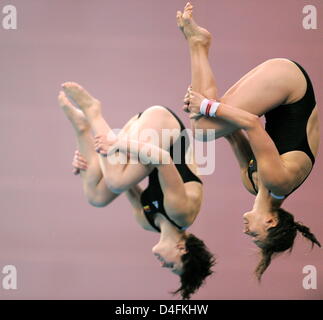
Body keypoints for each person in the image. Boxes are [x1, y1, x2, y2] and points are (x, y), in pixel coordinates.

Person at [177, 2, 321, 280]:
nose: (245, 231)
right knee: (205, 124)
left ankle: (197, 44)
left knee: (204, 126)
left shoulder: (252, 183)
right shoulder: (278, 181)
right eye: (255, 236)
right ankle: (198, 44)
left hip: (280, 95)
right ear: (271, 221)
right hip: (291, 84)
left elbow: (233, 131)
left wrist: (199, 105)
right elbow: (251, 123)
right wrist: (206, 108)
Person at [58, 81, 215, 299]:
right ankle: (93, 113)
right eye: (172, 267)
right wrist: (116, 143)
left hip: (143, 139)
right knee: (115, 181)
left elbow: (126, 183)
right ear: (183, 250)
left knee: (97, 196)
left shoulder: (146, 221)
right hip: (162, 126)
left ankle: (82, 128)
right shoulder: (182, 213)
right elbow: (162, 159)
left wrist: (89, 165)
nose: (163, 266)